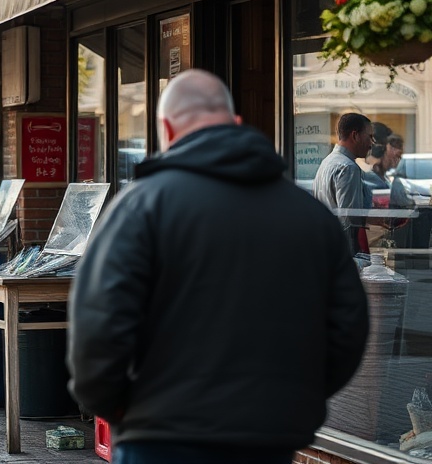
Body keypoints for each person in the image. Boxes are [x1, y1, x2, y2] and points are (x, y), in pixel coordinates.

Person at [67, 70, 368, 464]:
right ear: (236, 124)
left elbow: (97, 327)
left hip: (159, 435)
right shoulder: (310, 217)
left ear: (168, 129)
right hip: (268, 437)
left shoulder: (140, 209)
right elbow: (348, 327)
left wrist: (117, 405)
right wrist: (292, 398)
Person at [313, 113, 374, 256]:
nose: (372, 143)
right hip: (342, 251)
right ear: (355, 135)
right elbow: (350, 219)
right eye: (369, 137)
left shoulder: (327, 162)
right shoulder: (348, 167)